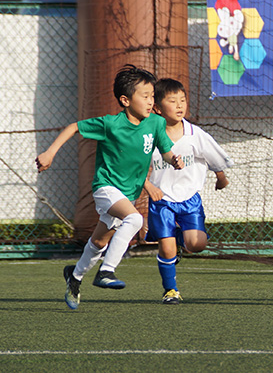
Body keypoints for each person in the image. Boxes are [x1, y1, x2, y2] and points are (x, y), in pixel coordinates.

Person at [35, 64, 184, 310]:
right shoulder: (110, 124)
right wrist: (50, 152)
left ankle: (75, 277)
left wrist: (173, 160)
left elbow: (166, 151)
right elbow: (74, 127)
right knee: (135, 220)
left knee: (99, 242)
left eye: (152, 96)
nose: (150, 101)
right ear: (125, 100)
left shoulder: (156, 123)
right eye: (145, 96)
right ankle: (106, 271)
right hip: (106, 188)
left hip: (128, 194)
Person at [143, 78, 233, 305]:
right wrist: (148, 186)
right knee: (165, 245)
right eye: (172, 101)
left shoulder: (195, 134)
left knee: (196, 244)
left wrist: (221, 178)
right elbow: (138, 167)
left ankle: (181, 240)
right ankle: (170, 290)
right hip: (162, 199)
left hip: (189, 200)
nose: (179, 105)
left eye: (182, 100)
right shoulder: (149, 135)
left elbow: (215, 158)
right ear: (158, 108)